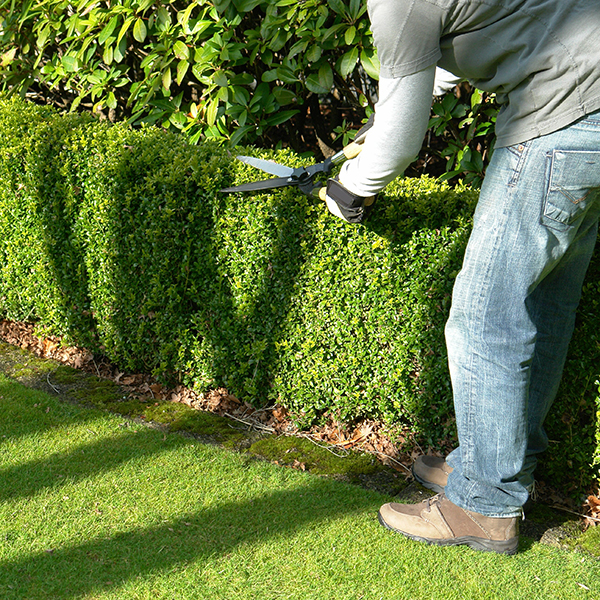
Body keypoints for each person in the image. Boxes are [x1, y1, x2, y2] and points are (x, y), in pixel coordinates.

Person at [324, 0, 600, 554]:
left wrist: (352, 185)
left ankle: (485, 502)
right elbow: (479, 29)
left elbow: (402, 139)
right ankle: (501, 463)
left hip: (560, 120)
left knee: (483, 318)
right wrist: (390, 114)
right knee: (543, 302)